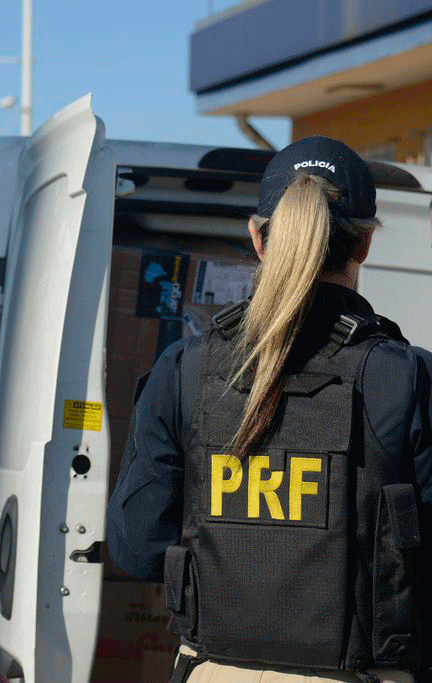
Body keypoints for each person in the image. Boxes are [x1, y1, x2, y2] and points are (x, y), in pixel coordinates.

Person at [107, 137, 431, 683]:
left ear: (258, 238)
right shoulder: (405, 377)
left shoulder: (185, 370)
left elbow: (137, 547)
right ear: (364, 245)